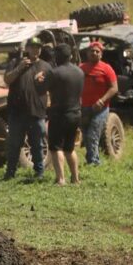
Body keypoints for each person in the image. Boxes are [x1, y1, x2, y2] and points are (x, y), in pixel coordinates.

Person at [3, 37, 51, 180]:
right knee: (14, 144)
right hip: (17, 112)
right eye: (33, 47)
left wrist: (49, 101)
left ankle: (39, 173)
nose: (36, 50)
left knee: (37, 144)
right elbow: (7, 80)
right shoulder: (15, 62)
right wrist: (19, 68)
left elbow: (52, 85)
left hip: (36, 112)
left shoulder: (46, 66)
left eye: (38, 47)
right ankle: (10, 173)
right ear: (27, 49)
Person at [40, 43, 84, 185]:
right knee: (69, 147)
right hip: (75, 113)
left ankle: (61, 179)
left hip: (59, 114)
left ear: (57, 56)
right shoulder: (79, 72)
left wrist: (39, 79)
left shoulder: (54, 73)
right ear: (70, 56)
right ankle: (76, 179)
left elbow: (42, 89)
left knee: (55, 147)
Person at [79, 41, 118, 166]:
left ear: (101, 54)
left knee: (92, 134)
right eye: (92, 51)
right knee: (85, 134)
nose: (94, 53)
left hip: (100, 108)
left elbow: (114, 88)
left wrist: (102, 100)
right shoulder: (81, 68)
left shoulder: (107, 69)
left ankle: (94, 162)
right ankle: (90, 158)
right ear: (87, 53)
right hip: (83, 107)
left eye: (97, 51)